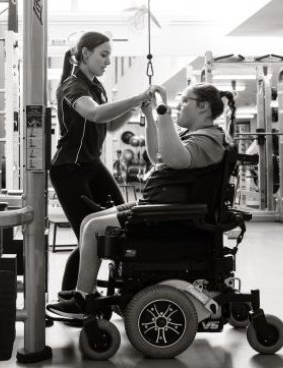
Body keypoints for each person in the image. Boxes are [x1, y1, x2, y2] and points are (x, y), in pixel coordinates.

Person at [48, 82, 231, 319]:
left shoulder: (210, 139)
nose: (179, 106)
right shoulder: (197, 135)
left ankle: (84, 300)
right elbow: (158, 155)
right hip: (159, 207)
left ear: (204, 107)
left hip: (169, 215)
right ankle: (86, 293)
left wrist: (162, 108)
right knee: (89, 222)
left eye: (185, 101)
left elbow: (176, 159)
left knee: (93, 227)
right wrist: (148, 114)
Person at [49, 31, 158, 295]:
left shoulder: (96, 85)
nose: (108, 61)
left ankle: (120, 289)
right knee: (88, 236)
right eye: (104, 55)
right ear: (85, 53)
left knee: (125, 221)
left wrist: (134, 107)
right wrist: (133, 98)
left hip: (92, 165)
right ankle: (70, 298)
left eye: (110, 56)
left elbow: (108, 125)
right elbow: (94, 114)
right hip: (69, 170)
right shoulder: (71, 85)